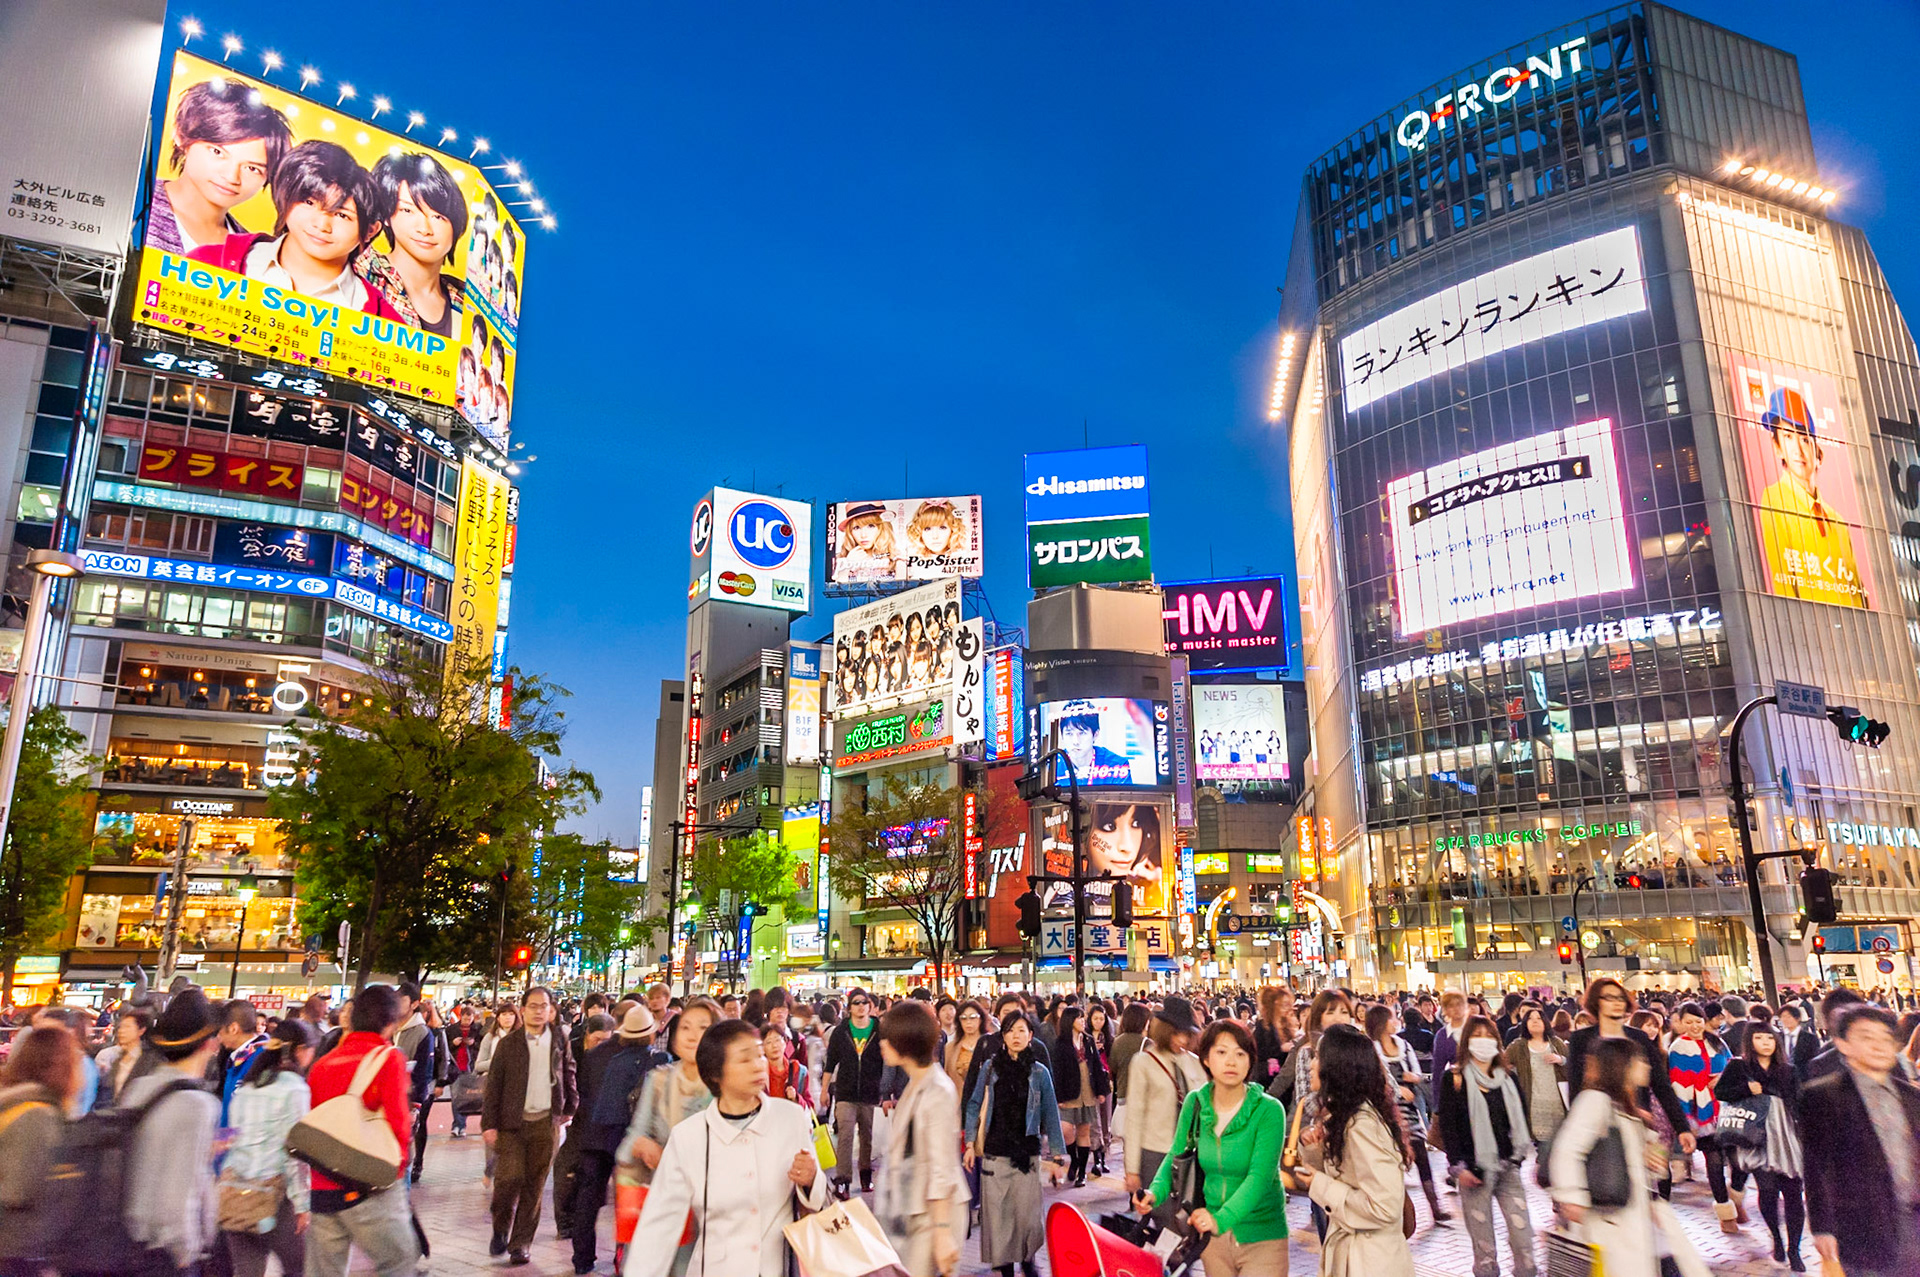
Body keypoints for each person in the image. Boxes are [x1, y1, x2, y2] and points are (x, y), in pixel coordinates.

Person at [624, 1018, 829, 1277]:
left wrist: (811, 1180)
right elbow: (660, 1221)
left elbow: (816, 1200)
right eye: (745, 1059)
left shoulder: (790, 1118)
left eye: (760, 1054)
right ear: (715, 1073)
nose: (758, 1065)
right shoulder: (689, 1136)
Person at [1135, 1020, 1290, 1277]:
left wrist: (1221, 1219)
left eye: (1240, 1054)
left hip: (1262, 1238)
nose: (1231, 1061)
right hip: (1211, 1240)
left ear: (1250, 1061)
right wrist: (1154, 1193)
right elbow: (1176, 1156)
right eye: (1221, 1052)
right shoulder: (1196, 1103)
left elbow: (1260, 1178)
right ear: (1205, 1059)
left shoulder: (1268, 1110)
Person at [186, 141, 405, 319]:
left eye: (342, 215)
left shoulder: (384, 322)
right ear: (286, 196)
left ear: (370, 230)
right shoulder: (207, 264)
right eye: (309, 202)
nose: (321, 225)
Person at [303, 985, 417, 1277]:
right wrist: (396, 1169)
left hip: (323, 1185)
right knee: (399, 1261)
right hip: (368, 1186)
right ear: (391, 1022)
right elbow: (398, 1125)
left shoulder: (322, 1064)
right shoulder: (388, 1058)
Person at [1285, 1024, 1413, 1277]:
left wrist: (1319, 1185)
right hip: (1358, 1256)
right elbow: (1351, 1177)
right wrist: (1315, 1151)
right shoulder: (1344, 1118)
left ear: (1337, 1067)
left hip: (1370, 1262)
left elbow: (1383, 1207)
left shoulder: (1362, 1125)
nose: (1311, 1065)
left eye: (1319, 1057)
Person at [1803, 1004, 1920, 1277]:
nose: (1879, 1046)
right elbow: (1817, 1167)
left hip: (1914, 1217)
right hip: (1863, 1224)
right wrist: (1823, 1227)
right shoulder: (1823, 1096)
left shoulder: (1912, 1097)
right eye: (1867, 1037)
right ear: (1843, 1044)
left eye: (1885, 1038)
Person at [119, 987, 224, 1275]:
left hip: (124, 1241)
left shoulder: (140, 1088)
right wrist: (186, 1252)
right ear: (209, 1045)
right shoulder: (198, 1105)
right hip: (164, 1253)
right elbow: (180, 1192)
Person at [964, 1012, 1067, 1277]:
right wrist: (969, 1142)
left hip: (1026, 1155)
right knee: (999, 1218)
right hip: (995, 1153)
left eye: (1022, 1031)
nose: (1016, 1036)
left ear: (1031, 1036)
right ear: (1003, 1037)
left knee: (1028, 1218)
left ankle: (1028, 1260)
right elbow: (974, 1103)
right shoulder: (990, 1068)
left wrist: (1058, 1157)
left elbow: (1050, 1113)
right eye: (1010, 1031)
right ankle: (1005, 1267)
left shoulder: (1039, 1072)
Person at [481, 986, 579, 1266]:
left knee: (534, 1187)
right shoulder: (509, 1044)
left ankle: (520, 1244)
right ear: (523, 1010)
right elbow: (494, 1086)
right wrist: (489, 1124)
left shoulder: (560, 1039)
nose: (538, 1011)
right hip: (512, 1125)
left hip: (546, 1122)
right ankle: (500, 1226)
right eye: (533, 1006)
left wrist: (570, 1108)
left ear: (551, 1010)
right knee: (508, 1181)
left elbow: (568, 1072)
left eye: (544, 1006)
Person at [146, 74, 294, 254]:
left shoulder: (255, 255)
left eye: (252, 168)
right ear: (179, 133)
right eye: (218, 152)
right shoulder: (138, 209)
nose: (232, 177)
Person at [874, 1002, 968, 1277]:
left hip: (932, 1216)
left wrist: (941, 1233)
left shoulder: (937, 1090)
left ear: (906, 1041)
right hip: (912, 1209)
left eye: (887, 1038)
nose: (882, 1045)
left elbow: (942, 1167)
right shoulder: (916, 1083)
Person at [1438, 1016, 1536, 1277]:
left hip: (1508, 1168)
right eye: (1476, 1034)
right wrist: (1459, 1167)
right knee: (1484, 1248)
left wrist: (1517, 1159)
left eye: (1488, 1035)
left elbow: (1521, 1119)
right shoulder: (1454, 1079)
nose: (1483, 1040)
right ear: (1467, 1041)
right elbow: (1449, 1128)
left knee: (1523, 1237)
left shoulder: (1508, 1079)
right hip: (1474, 1173)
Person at [222, 1017, 315, 1277]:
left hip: (236, 1194)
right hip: (273, 1197)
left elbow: (233, 1137)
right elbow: (295, 1151)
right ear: (299, 1050)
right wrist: (302, 1204)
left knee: (246, 1271)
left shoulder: (249, 1085)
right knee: (298, 1268)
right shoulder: (295, 1088)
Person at [576, 1006, 660, 1277]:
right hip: (636, 1142)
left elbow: (587, 1094)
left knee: (589, 1198)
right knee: (632, 1203)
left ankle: (582, 1259)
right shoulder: (659, 1061)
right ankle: (625, 1259)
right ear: (650, 1034)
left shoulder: (600, 1056)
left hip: (597, 1135)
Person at [1716, 1019, 1806, 1269]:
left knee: (1793, 1194)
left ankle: (1795, 1249)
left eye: (1769, 1038)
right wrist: (1747, 1089)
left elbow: (1799, 1102)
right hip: (1755, 1137)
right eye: (1759, 1038)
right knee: (1767, 1191)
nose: (1765, 1043)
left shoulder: (1788, 1069)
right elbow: (1721, 1092)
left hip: (1786, 1137)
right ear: (1750, 1041)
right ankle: (1777, 1239)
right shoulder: (1738, 1067)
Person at [356, 152, 467, 336]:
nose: (425, 229)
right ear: (386, 216)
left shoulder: (468, 304)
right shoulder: (358, 272)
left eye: (438, 216)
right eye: (407, 210)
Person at [0, 1019, 80, 1272]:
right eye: (75, 1061)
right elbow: (16, 1191)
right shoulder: (37, 1115)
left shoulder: (21, 1103)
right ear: (59, 1066)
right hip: (19, 1249)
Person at [1366, 1003, 1447, 1224]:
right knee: (1393, 1161)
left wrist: (1413, 1078)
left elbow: (1417, 1074)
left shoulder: (1403, 1045)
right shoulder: (1371, 1049)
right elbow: (1374, 1080)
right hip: (1385, 1112)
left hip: (1409, 1111)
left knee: (1421, 1153)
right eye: (1391, 1018)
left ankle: (1435, 1206)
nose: (1396, 1022)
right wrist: (1397, 1086)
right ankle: (1400, 1212)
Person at [1123, 996, 1207, 1195]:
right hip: (1156, 1154)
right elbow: (1134, 1119)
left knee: (1188, 1219)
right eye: (1177, 1033)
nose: (1183, 1040)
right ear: (1164, 1030)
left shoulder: (1195, 1063)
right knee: (1165, 1217)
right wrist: (1132, 1169)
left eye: (1187, 1034)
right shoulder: (1143, 1062)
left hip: (1192, 1154)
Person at [1666, 1001, 1738, 1231]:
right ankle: (1726, 1212)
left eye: (1698, 1021)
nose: (1695, 1026)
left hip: (1727, 1107)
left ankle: (1736, 1196)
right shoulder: (1678, 1048)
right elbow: (1679, 1084)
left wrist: (1723, 1078)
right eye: (1689, 1022)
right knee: (1714, 1161)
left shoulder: (1717, 1041)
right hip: (1700, 1113)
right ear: (1681, 1023)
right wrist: (1685, 1122)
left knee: (1737, 1160)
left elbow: (1733, 1065)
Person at [554, 1012, 616, 1247]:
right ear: (587, 1034)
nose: (601, 1045)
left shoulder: (613, 1054)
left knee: (590, 1175)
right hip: (573, 1116)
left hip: (599, 1120)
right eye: (597, 1039)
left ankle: (579, 1218)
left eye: (606, 1040)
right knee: (565, 1169)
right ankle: (564, 1221)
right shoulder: (574, 1049)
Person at [824, 987, 887, 1194]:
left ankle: (866, 1175)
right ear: (849, 1007)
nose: (861, 1006)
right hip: (845, 1092)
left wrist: (886, 1090)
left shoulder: (880, 1031)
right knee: (845, 1135)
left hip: (870, 1092)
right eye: (856, 1003)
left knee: (867, 1136)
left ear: (870, 1006)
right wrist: (825, 1090)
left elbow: (888, 1062)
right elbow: (830, 1063)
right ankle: (843, 1180)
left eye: (864, 1002)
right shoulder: (841, 1032)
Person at [1051, 1006, 1110, 1186]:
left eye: (1083, 1018)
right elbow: (1057, 1071)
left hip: (1087, 1091)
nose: (1083, 1021)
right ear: (1070, 1021)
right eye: (1079, 1018)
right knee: (1067, 1130)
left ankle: (1081, 1172)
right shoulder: (1060, 1043)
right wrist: (1059, 1096)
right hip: (1069, 1092)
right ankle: (1074, 1159)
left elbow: (1098, 1067)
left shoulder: (1089, 1041)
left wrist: (1101, 1091)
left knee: (1084, 1132)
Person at [1505, 1005, 1568, 1162]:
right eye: (1530, 1019)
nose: (1535, 1022)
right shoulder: (1518, 1046)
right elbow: (1503, 1065)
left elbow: (1572, 1065)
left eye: (1539, 1018)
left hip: (1557, 1102)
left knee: (1559, 1144)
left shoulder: (1556, 1043)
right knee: (1543, 1146)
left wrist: (1561, 1060)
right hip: (1534, 1103)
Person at [95, 1004, 156, 1106]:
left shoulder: (149, 1060)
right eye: (120, 1027)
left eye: (127, 1027)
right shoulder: (117, 1059)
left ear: (141, 1030)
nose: (121, 1031)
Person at [445, 1003, 483, 1138]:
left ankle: (461, 1125)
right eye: (465, 1018)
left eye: (470, 1018)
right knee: (456, 1097)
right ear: (461, 1017)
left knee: (466, 1097)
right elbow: (445, 1049)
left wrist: (474, 1044)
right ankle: (457, 1125)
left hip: (470, 1066)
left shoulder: (478, 1029)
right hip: (455, 1067)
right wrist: (453, 1044)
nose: (468, 1021)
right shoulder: (451, 1030)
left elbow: (482, 1046)